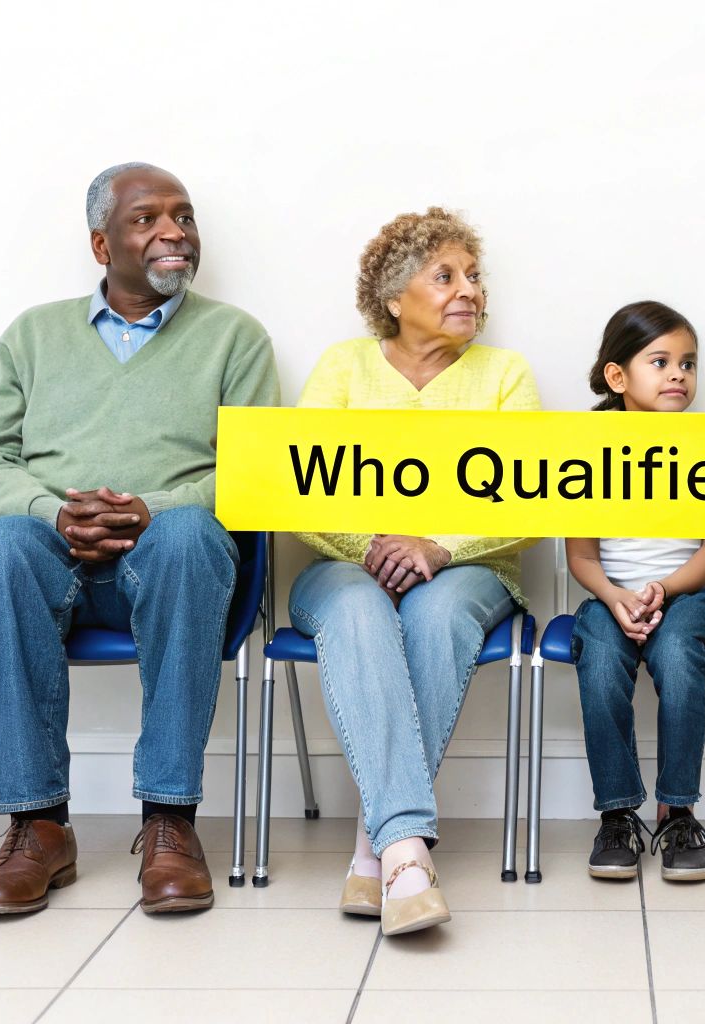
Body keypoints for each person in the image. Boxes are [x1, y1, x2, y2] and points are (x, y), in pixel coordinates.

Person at [0, 162, 279, 918]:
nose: (174, 233)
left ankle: (169, 820)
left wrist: (151, 509)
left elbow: (256, 474)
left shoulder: (234, 337)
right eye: (147, 219)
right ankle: (37, 825)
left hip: (171, 563)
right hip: (48, 556)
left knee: (193, 535)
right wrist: (52, 512)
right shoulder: (32, 335)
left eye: (184, 217)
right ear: (102, 245)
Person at [290, 207, 539, 935]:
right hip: (344, 566)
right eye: (447, 276)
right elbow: (296, 487)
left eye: (475, 276)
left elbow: (531, 499)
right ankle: (405, 851)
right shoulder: (344, 366)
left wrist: (437, 546)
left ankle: (380, 849)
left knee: (433, 611)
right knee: (361, 611)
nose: (471, 291)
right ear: (396, 298)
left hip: (471, 570)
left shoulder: (505, 374)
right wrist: (372, 543)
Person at [567, 301, 705, 883]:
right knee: (603, 660)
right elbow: (581, 555)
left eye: (687, 363)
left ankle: (677, 810)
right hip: (609, 596)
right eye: (659, 362)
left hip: (687, 594)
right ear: (618, 377)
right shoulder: (588, 451)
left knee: (680, 659)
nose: (678, 375)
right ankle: (617, 816)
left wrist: (661, 588)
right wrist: (615, 597)